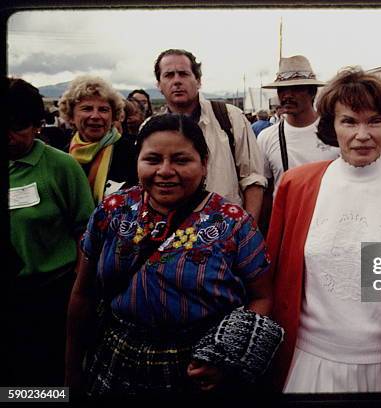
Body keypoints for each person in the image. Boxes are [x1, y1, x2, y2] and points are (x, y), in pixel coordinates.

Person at [267, 68, 381, 393]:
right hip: (309, 360)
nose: (363, 134)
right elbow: (275, 274)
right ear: (331, 126)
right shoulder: (296, 184)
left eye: (375, 121)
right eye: (350, 121)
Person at [64, 113, 274, 396]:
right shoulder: (112, 211)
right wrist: (72, 369)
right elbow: (83, 293)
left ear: (204, 164)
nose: (165, 171)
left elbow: (262, 297)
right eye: (152, 160)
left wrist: (225, 356)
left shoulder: (233, 223)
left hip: (199, 366)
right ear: (137, 162)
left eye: (181, 160)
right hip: (116, 358)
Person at [6, 77, 95, 386]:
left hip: (51, 296)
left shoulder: (61, 167)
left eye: (16, 125)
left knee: (48, 378)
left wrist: (78, 290)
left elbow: (86, 231)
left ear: (36, 126)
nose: (8, 135)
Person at [154, 49, 266, 222]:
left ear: (198, 81)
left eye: (183, 74)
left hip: (226, 231)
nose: (176, 81)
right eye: (169, 75)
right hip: (170, 235)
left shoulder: (230, 117)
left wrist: (247, 231)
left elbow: (253, 179)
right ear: (159, 85)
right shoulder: (150, 128)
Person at [258, 55, 339, 196]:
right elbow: (265, 189)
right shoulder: (267, 137)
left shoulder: (335, 131)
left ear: (312, 92)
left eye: (296, 89)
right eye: (282, 90)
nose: (287, 96)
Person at [59, 75, 138, 203]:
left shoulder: (131, 153)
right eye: (87, 108)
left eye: (103, 109)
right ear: (71, 116)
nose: (95, 116)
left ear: (113, 116)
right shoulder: (61, 155)